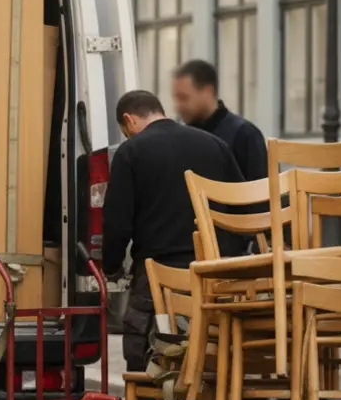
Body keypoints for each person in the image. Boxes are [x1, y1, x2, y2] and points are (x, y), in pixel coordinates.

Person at [102, 90, 244, 374]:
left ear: (129, 120)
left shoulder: (130, 152)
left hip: (158, 274)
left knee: (142, 350)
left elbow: (117, 223)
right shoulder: (215, 145)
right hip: (214, 273)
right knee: (210, 349)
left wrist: (112, 267)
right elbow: (241, 207)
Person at [172, 60, 268, 182]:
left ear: (208, 91)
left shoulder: (245, 135)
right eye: (176, 99)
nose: (178, 106)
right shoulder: (181, 139)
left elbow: (261, 192)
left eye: (184, 98)